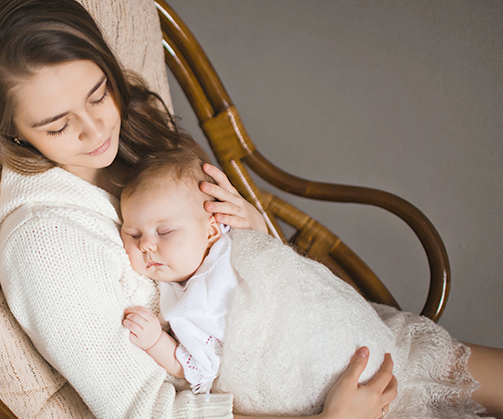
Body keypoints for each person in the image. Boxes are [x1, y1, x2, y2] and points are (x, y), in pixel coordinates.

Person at [0, 0, 502, 417]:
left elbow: (252, 268)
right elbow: (144, 411)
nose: (97, 128)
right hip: (277, 402)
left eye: (98, 93)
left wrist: (247, 229)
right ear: (15, 134)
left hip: (323, 335)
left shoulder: (132, 141)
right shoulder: (47, 243)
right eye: (57, 124)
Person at [119, 149, 497, 417]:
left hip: (355, 332)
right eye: (132, 234)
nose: (146, 245)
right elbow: (195, 370)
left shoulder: (232, 241)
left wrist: (256, 228)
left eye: (163, 231)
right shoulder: (187, 305)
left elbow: (288, 274)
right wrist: (156, 341)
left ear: (213, 225)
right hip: (312, 390)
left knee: (441, 369)